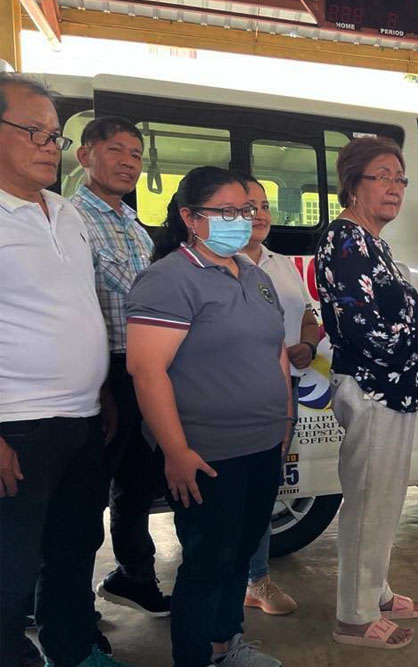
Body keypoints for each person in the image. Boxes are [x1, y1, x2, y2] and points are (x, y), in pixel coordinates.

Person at [126, 166, 291, 667]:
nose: (240, 220)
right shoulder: (168, 279)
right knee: (207, 563)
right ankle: (196, 658)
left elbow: (276, 353)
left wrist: (284, 423)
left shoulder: (255, 276)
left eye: (246, 210)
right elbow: (146, 369)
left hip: (262, 444)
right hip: (207, 452)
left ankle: (226, 646)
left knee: (240, 555)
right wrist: (175, 451)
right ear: (190, 218)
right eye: (225, 212)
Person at [315, 137, 418, 649]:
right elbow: (364, 331)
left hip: (394, 390)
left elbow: (388, 316)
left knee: (384, 499)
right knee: (368, 503)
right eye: (382, 176)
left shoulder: (371, 242)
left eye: (401, 179)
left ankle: (375, 592)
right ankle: (354, 618)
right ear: (352, 183)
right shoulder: (345, 241)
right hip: (372, 391)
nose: (395, 187)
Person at [0, 73, 129, 667]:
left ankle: (72, 649)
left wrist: (100, 388)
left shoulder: (66, 212)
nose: (49, 144)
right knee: (10, 566)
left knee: (76, 548)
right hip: (17, 425)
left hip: (81, 419)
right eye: (33, 131)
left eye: (53, 134)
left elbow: (84, 306)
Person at [70, 116, 172, 620]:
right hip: (102, 372)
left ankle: (133, 574)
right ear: (84, 155)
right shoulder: (72, 220)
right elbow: (113, 300)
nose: (128, 162)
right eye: (116, 150)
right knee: (87, 493)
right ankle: (72, 607)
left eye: (135, 154)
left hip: (143, 369)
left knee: (139, 480)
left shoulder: (131, 221)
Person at [240, 175, 321, 616]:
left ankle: (256, 579)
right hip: (233, 392)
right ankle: (227, 580)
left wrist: (306, 346)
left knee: (264, 486)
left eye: (265, 204)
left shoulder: (281, 263)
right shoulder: (216, 264)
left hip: (281, 388)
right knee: (226, 490)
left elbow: (307, 312)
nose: (260, 213)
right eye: (248, 205)